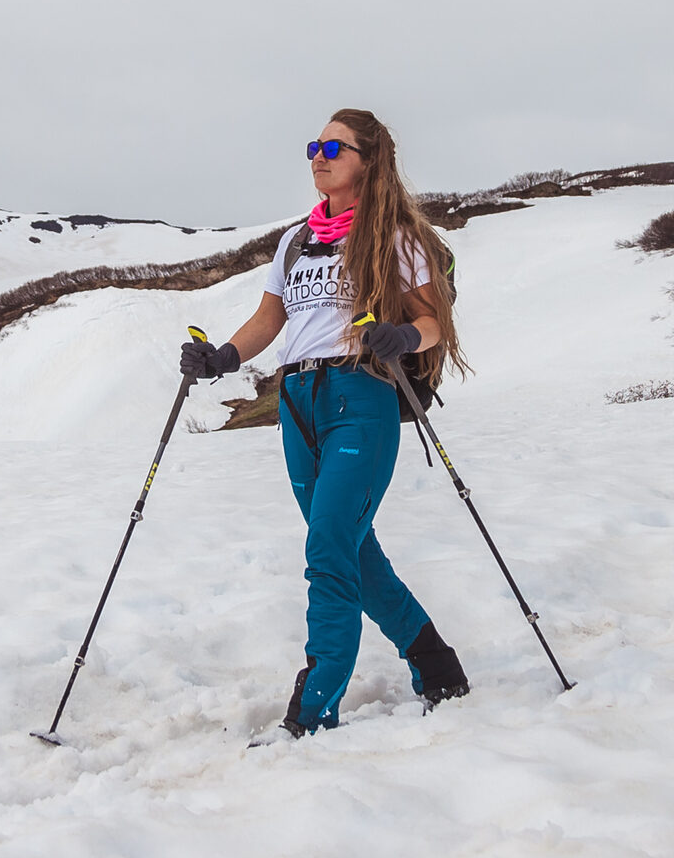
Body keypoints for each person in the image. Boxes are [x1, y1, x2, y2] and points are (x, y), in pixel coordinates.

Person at [181, 108, 471, 742]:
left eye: (334, 148)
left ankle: (314, 705)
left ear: (369, 160)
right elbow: (270, 317)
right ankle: (436, 664)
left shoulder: (397, 236)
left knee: (327, 548)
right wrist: (222, 358)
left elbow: (433, 323)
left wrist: (401, 333)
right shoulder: (295, 241)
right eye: (313, 146)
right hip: (298, 402)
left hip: (361, 395)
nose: (319, 156)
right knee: (350, 551)